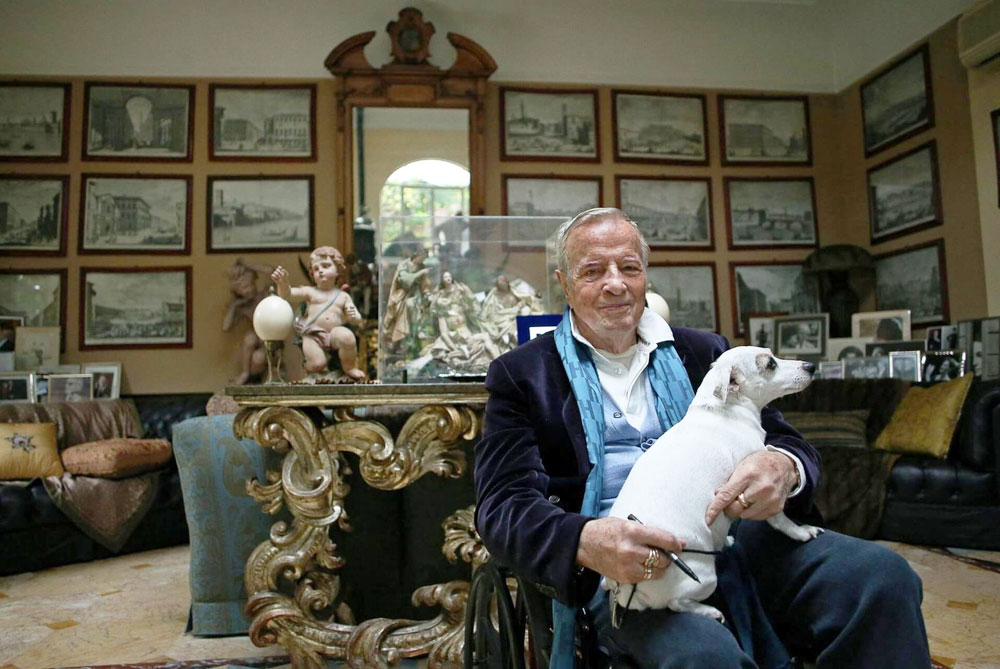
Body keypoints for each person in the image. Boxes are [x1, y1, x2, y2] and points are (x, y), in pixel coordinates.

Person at [474, 207, 929, 668]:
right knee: (704, 657)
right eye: (593, 271)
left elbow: (790, 444)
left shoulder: (706, 352)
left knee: (882, 576)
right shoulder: (524, 375)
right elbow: (501, 505)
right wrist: (586, 539)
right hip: (628, 569)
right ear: (565, 284)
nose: (615, 284)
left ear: (644, 275)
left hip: (742, 538)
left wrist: (783, 466)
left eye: (629, 267)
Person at [272, 246, 365, 381]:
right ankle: (308, 366)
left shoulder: (343, 296)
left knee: (347, 337)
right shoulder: (310, 292)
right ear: (312, 275)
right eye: (316, 269)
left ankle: (349, 367)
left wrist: (353, 316)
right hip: (313, 334)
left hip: (334, 333)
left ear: (338, 271)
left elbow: (356, 318)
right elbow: (288, 295)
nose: (320, 271)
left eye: (326, 266)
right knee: (318, 364)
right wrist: (283, 284)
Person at [382, 247, 432, 355]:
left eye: (424, 259)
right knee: (407, 306)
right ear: (417, 255)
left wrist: (427, 292)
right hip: (403, 294)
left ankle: (414, 340)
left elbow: (425, 283)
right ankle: (402, 342)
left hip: (417, 294)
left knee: (420, 308)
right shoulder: (404, 265)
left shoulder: (421, 266)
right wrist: (420, 273)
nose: (423, 261)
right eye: (422, 258)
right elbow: (405, 281)